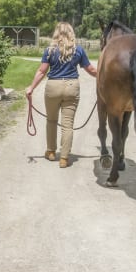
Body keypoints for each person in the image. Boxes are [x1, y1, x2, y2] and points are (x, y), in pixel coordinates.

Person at [26, 21, 97, 168]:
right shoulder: (78, 50)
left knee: (51, 120)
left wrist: (31, 88)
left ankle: (51, 152)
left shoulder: (50, 50)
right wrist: (104, 75)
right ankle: (64, 158)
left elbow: (42, 71)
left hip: (53, 87)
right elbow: (90, 69)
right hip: (72, 87)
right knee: (67, 125)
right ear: (71, 33)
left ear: (57, 33)